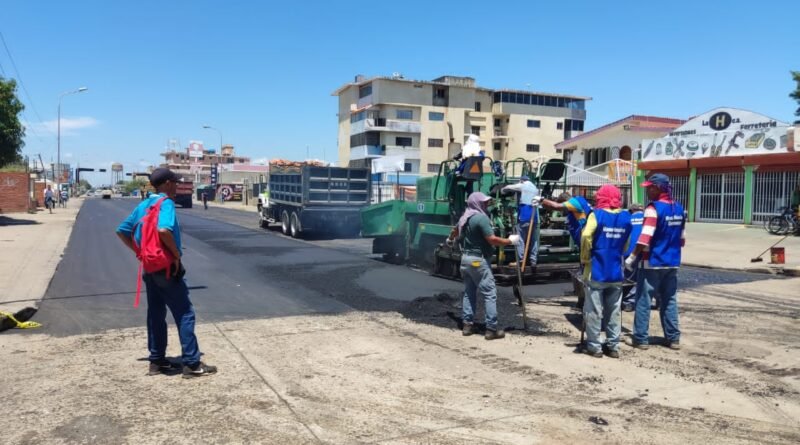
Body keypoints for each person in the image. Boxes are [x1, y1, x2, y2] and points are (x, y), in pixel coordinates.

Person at [115, 168, 217, 378]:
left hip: (150, 268)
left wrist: (140, 252)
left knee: (155, 314)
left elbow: (122, 230)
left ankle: (157, 361)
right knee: (185, 313)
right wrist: (176, 255)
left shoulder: (143, 205)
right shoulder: (166, 203)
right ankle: (192, 363)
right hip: (167, 268)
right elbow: (163, 230)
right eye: (175, 182)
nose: (177, 186)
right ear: (168, 183)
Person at [447, 192, 522, 340]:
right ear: (477, 203)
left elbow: (455, 230)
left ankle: (467, 325)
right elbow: (492, 239)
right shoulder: (481, 219)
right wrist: (509, 241)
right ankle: (491, 329)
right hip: (478, 260)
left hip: (466, 260)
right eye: (484, 202)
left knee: (469, 292)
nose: (487, 205)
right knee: (490, 293)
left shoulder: (465, 217)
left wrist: (450, 239)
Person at [624, 173, 685, 351]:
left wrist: (632, 256)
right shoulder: (679, 208)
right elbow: (682, 239)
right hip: (672, 262)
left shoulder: (652, 209)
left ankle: (640, 338)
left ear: (658, 188)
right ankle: (673, 339)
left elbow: (645, 237)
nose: (648, 191)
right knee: (669, 300)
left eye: (650, 187)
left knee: (643, 300)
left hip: (652, 262)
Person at [580, 185, 632, 358]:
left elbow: (586, 235)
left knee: (594, 310)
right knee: (614, 311)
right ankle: (613, 346)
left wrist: (585, 256)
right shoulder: (626, 217)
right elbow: (626, 243)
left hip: (596, 270)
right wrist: (619, 253)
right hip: (616, 271)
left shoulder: (597, 215)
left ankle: (594, 347)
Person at [502, 175, 541, 269]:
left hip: (524, 215)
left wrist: (503, 189)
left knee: (520, 239)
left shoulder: (522, 185)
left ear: (522, 181)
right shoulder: (536, 189)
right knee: (533, 240)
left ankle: (521, 260)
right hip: (534, 216)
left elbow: (509, 187)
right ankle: (533, 260)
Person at [621, 203, 644, 312]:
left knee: (629, 277)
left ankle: (628, 301)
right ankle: (659, 300)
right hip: (645, 251)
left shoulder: (627, 218)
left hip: (629, 252)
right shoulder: (647, 218)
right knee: (646, 276)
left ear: (631, 210)